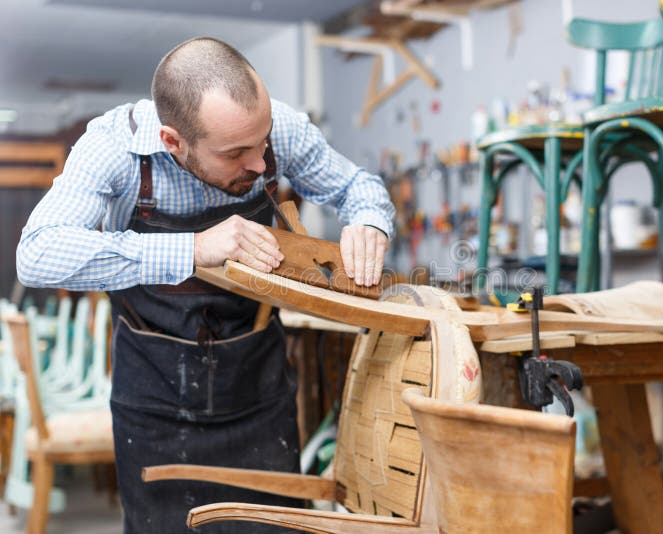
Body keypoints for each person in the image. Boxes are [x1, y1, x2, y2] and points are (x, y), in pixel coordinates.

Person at [16, 37, 394, 533]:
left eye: (262, 143)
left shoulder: (277, 127)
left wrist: (369, 221)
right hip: (154, 404)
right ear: (174, 141)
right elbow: (37, 254)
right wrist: (193, 250)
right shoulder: (115, 150)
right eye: (236, 153)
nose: (260, 164)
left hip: (259, 395)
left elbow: (357, 185)